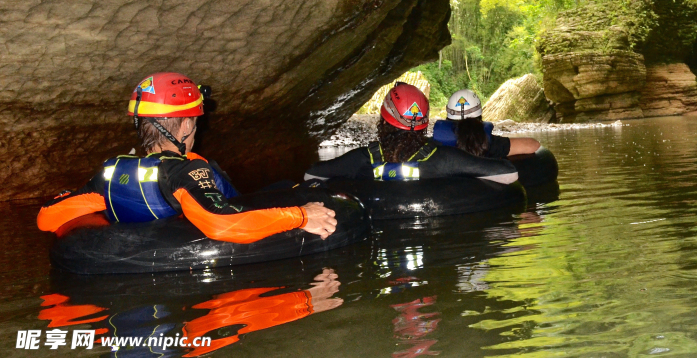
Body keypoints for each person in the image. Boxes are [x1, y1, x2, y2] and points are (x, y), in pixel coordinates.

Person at [37, 72, 337, 243]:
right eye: (194, 123)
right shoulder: (186, 171)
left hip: (143, 248)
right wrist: (302, 216)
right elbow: (222, 224)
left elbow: (47, 217)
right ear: (184, 126)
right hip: (197, 246)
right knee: (286, 188)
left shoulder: (112, 172)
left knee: (280, 186)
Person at [304, 83, 518, 183]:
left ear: (383, 120)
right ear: (425, 122)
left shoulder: (363, 158)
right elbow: (508, 173)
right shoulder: (443, 158)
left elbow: (311, 174)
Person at [431, 89, 540, 159]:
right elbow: (533, 145)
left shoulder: (433, 143)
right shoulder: (490, 143)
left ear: (448, 117)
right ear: (479, 118)